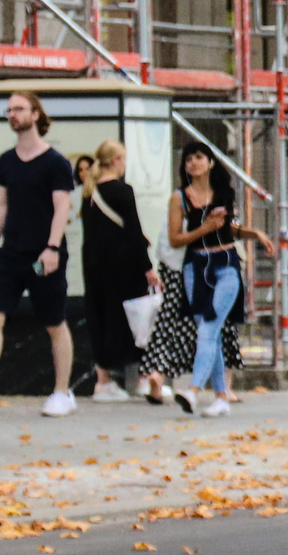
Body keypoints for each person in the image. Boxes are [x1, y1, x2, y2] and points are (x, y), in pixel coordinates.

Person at [0, 91, 77, 416]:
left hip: (43, 254)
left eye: (18, 109)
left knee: (54, 322)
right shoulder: (6, 160)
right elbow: (1, 205)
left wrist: (52, 247)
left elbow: (62, 205)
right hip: (10, 253)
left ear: (35, 114)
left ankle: (62, 393)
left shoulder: (56, 163)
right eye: (8, 110)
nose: (12, 114)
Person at [166, 141, 268, 417]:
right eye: (188, 159)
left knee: (208, 330)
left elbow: (228, 228)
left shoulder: (224, 193)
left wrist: (254, 234)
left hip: (226, 265)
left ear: (210, 162)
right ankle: (222, 397)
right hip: (195, 267)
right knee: (210, 336)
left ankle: (194, 389)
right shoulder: (180, 198)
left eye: (199, 157)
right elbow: (175, 238)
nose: (193, 163)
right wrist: (204, 228)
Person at [79, 138, 160, 403]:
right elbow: (133, 231)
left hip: (94, 266)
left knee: (101, 318)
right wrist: (147, 267)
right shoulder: (123, 191)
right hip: (124, 266)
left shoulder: (89, 193)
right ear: (116, 161)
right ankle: (143, 379)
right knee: (137, 319)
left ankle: (103, 381)